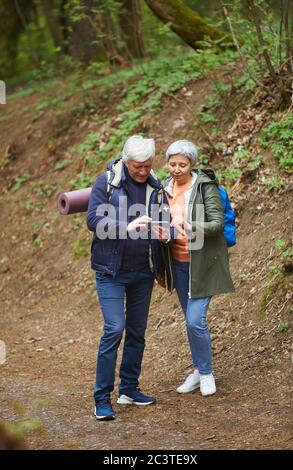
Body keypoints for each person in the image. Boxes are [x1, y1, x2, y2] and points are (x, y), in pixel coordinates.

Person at [87, 135, 170, 420]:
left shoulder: (156, 186)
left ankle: (129, 389)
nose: (143, 171)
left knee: (137, 331)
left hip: (142, 271)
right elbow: (94, 221)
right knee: (115, 329)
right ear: (126, 160)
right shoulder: (107, 182)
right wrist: (127, 225)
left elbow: (164, 218)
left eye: (148, 165)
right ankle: (101, 398)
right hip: (111, 272)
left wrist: (165, 232)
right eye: (138, 166)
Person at [163, 140, 234, 397]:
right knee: (190, 320)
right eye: (172, 164)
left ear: (193, 164)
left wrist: (192, 226)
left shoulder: (204, 187)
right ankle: (198, 369)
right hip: (177, 264)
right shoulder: (163, 189)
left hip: (202, 263)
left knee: (195, 320)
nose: (177, 169)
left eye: (182, 164)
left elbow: (215, 223)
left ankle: (205, 374)